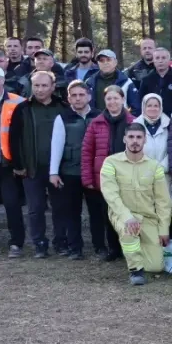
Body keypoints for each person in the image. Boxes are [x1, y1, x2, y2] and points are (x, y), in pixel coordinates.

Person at [99, 123, 172, 284]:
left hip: (147, 217)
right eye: (131, 137)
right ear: (125, 139)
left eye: (139, 137)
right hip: (123, 215)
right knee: (128, 231)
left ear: (145, 140)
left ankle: (137, 254)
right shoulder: (111, 163)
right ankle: (136, 271)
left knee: (156, 266)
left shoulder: (155, 167)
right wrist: (126, 217)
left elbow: (163, 201)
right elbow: (110, 194)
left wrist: (163, 229)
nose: (135, 141)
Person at [9, 71, 63, 258]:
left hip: (58, 169)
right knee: (35, 208)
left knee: (59, 207)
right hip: (32, 168)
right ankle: (40, 244)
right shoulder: (23, 108)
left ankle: (60, 242)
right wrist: (18, 164)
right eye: (36, 85)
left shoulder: (62, 107)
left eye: (44, 85)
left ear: (52, 87)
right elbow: (13, 138)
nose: (40, 89)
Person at [48, 81, 102, 259]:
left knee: (97, 212)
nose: (78, 99)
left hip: (94, 173)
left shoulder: (99, 116)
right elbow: (56, 146)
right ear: (68, 98)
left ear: (89, 96)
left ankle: (99, 246)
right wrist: (53, 172)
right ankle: (75, 248)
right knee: (72, 212)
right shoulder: (62, 118)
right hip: (70, 172)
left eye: (81, 95)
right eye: (74, 95)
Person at [0, 65, 25, 256]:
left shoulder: (17, 102)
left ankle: (17, 243)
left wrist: (19, 164)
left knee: (12, 203)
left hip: (7, 164)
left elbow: (22, 137)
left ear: (2, 80)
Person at [138, 93, 172, 198]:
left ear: (160, 107)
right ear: (144, 107)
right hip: (143, 175)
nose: (153, 108)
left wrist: (160, 168)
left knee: (165, 208)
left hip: (165, 176)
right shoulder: (136, 125)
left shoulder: (169, 125)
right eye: (149, 105)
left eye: (156, 106)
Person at [138, 47, 172, 116]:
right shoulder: (146, 80)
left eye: (163, 58)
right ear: (153, 60)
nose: (160, 61)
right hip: (151, 118)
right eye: (157, 58)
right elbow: (140, 101)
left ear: (169, 60)